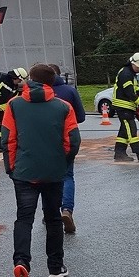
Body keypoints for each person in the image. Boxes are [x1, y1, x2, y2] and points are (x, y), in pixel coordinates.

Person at [1, 63, 81, 277]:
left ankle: (21, 263)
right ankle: (56, 268)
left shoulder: (14, 105)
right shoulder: (64, 107)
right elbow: (73, 141)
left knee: (24, 219)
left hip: (24, 173)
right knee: (53, 219)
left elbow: (7, 140)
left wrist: (12, 169)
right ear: (51, 83)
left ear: (30, 80)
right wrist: (61, 162)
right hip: (53, 173)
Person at [48, 64, 86, 233]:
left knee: (46, 178)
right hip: (66, 141)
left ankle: (50, 212)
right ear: (59, 74)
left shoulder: (35, 94)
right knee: (67, 176)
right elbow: (81, 117)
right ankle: (67, 210)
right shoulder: (69, 91)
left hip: (43, 142)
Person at [111, 52, 139, 162]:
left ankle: (119, 153)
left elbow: (132, 90)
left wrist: (138, 92)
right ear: (132, 63)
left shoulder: (130, 73)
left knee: (124, 131)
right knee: (131, 130)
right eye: (138, 67)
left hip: (127, 106)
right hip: (123, 106)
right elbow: (129, 92)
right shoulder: (126, 74)